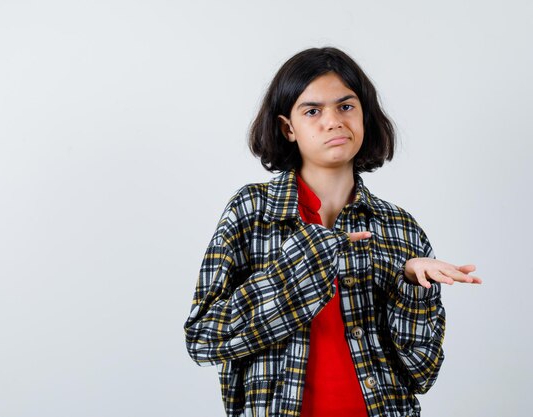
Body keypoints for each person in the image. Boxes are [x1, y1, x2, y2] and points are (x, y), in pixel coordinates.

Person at [184, 47, 481, 417]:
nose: (333, 121)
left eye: (346, 106)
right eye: (312, 111)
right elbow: (203, 339)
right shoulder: (252, 211)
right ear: (287, 128)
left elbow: (422, 372)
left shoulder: (399, 227)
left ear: (365, 116)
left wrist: (409, 287)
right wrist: (303, 266)